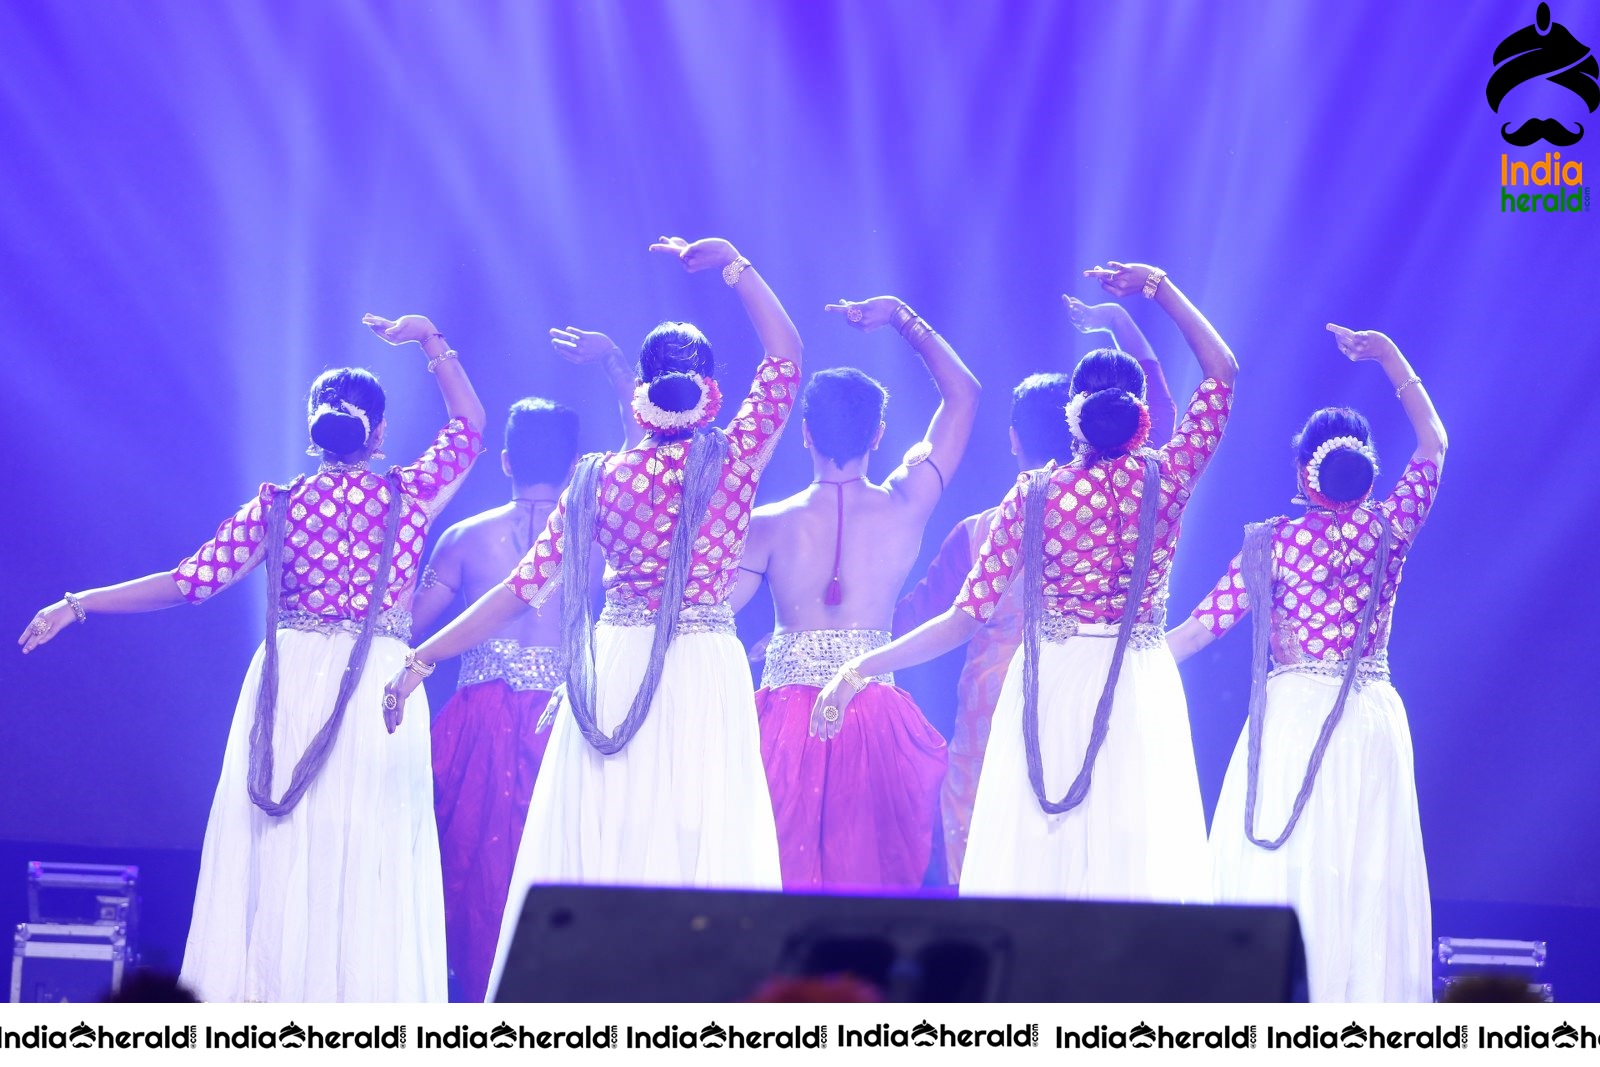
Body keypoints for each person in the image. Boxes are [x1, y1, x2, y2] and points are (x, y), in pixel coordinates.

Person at [19, 314, 486, 1001]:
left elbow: (188, 583)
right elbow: (470, 425)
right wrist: (429, 342)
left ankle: (268, 1008)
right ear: (378, 433)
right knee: (364, 843)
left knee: (282, 844)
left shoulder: (279, 505)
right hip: (376, 683)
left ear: (313, 427)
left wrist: (79, 600)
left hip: (288, 680)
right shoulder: (407, 495)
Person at [380, 236, 801, 999]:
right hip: (702, 662)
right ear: (708, 389)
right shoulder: (734, 461)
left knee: (613, 835)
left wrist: (422, 657)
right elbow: (787, 359)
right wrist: (736, 267)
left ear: (640, 388)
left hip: (619, 662)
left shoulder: (600, 478)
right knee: (695, 835)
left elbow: (520, 588)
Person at [816, 261, 1236, 902]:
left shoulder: (1037, 496)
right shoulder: (1165, 480)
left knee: (1044, 859)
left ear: (1073, 418)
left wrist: (858, 669)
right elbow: (1222, 371)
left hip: (1052, 680)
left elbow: (961, 617)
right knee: (1132, 856)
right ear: (1142, 418)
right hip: (1138, 680)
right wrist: (1155, 287)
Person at [1166, 325, 1445, 1003]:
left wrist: (1127, 662)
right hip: (1371, 720)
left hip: (1293, 719)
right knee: (1363, 873)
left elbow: (1202, 627)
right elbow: (1435, 442)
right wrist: (1389, 357)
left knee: (1291, 864)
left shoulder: (1273, 545)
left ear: (1303, 471)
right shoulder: (1390, 526)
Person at [893, 296, 1177, 883]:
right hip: (1108, 688)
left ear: (1015, 439)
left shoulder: (981, 531)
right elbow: (1170, 408)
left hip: (998, 707)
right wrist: (1123, 322)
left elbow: (918, 617)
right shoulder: (1139, 493)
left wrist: (840, 647)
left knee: (995, 862)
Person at [413, 336, 637, 1004]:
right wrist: (614, 366)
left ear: (504, 459)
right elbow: (645, 455)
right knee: (567, 862)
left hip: (476, 720)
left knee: (472, 872)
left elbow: (405, 624)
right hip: (565, 717)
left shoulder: (464, 539)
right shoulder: (601, 534)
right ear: (576, 466)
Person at [733, 295, 980, 891]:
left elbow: (714, 614)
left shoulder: (764, 524)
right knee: (866, 889)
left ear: (805, 434)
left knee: (776, 883)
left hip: (783, 716)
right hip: (874, 717)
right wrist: (901, 318)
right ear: (880, 435)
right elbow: (964, 395)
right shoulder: (905, 502)